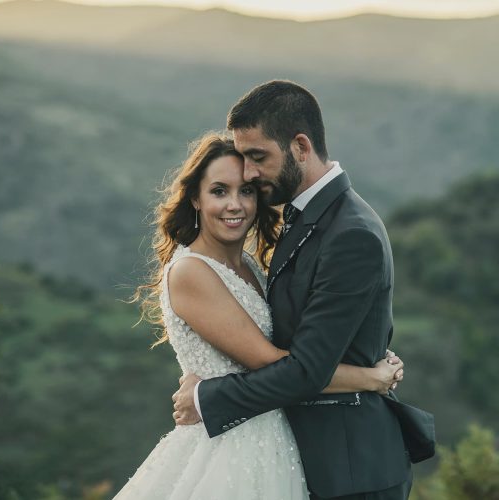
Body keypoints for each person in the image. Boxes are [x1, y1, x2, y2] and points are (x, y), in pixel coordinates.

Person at [115, 134, 403, 499]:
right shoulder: (191, 271)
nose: (235, 205)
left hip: (275, 437)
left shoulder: (249, 265)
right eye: (219, 191)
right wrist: (370, 378)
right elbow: (271, 361)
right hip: (231, 446)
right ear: (195, 199)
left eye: (247, 191)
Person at [173, 81, 413, 499]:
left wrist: (208, 395)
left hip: (350, 469)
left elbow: (305, 369)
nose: (248, 174)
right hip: (300, 457)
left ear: (300, 147)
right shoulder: (303, 217)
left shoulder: (350, 233)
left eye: (257, 158)